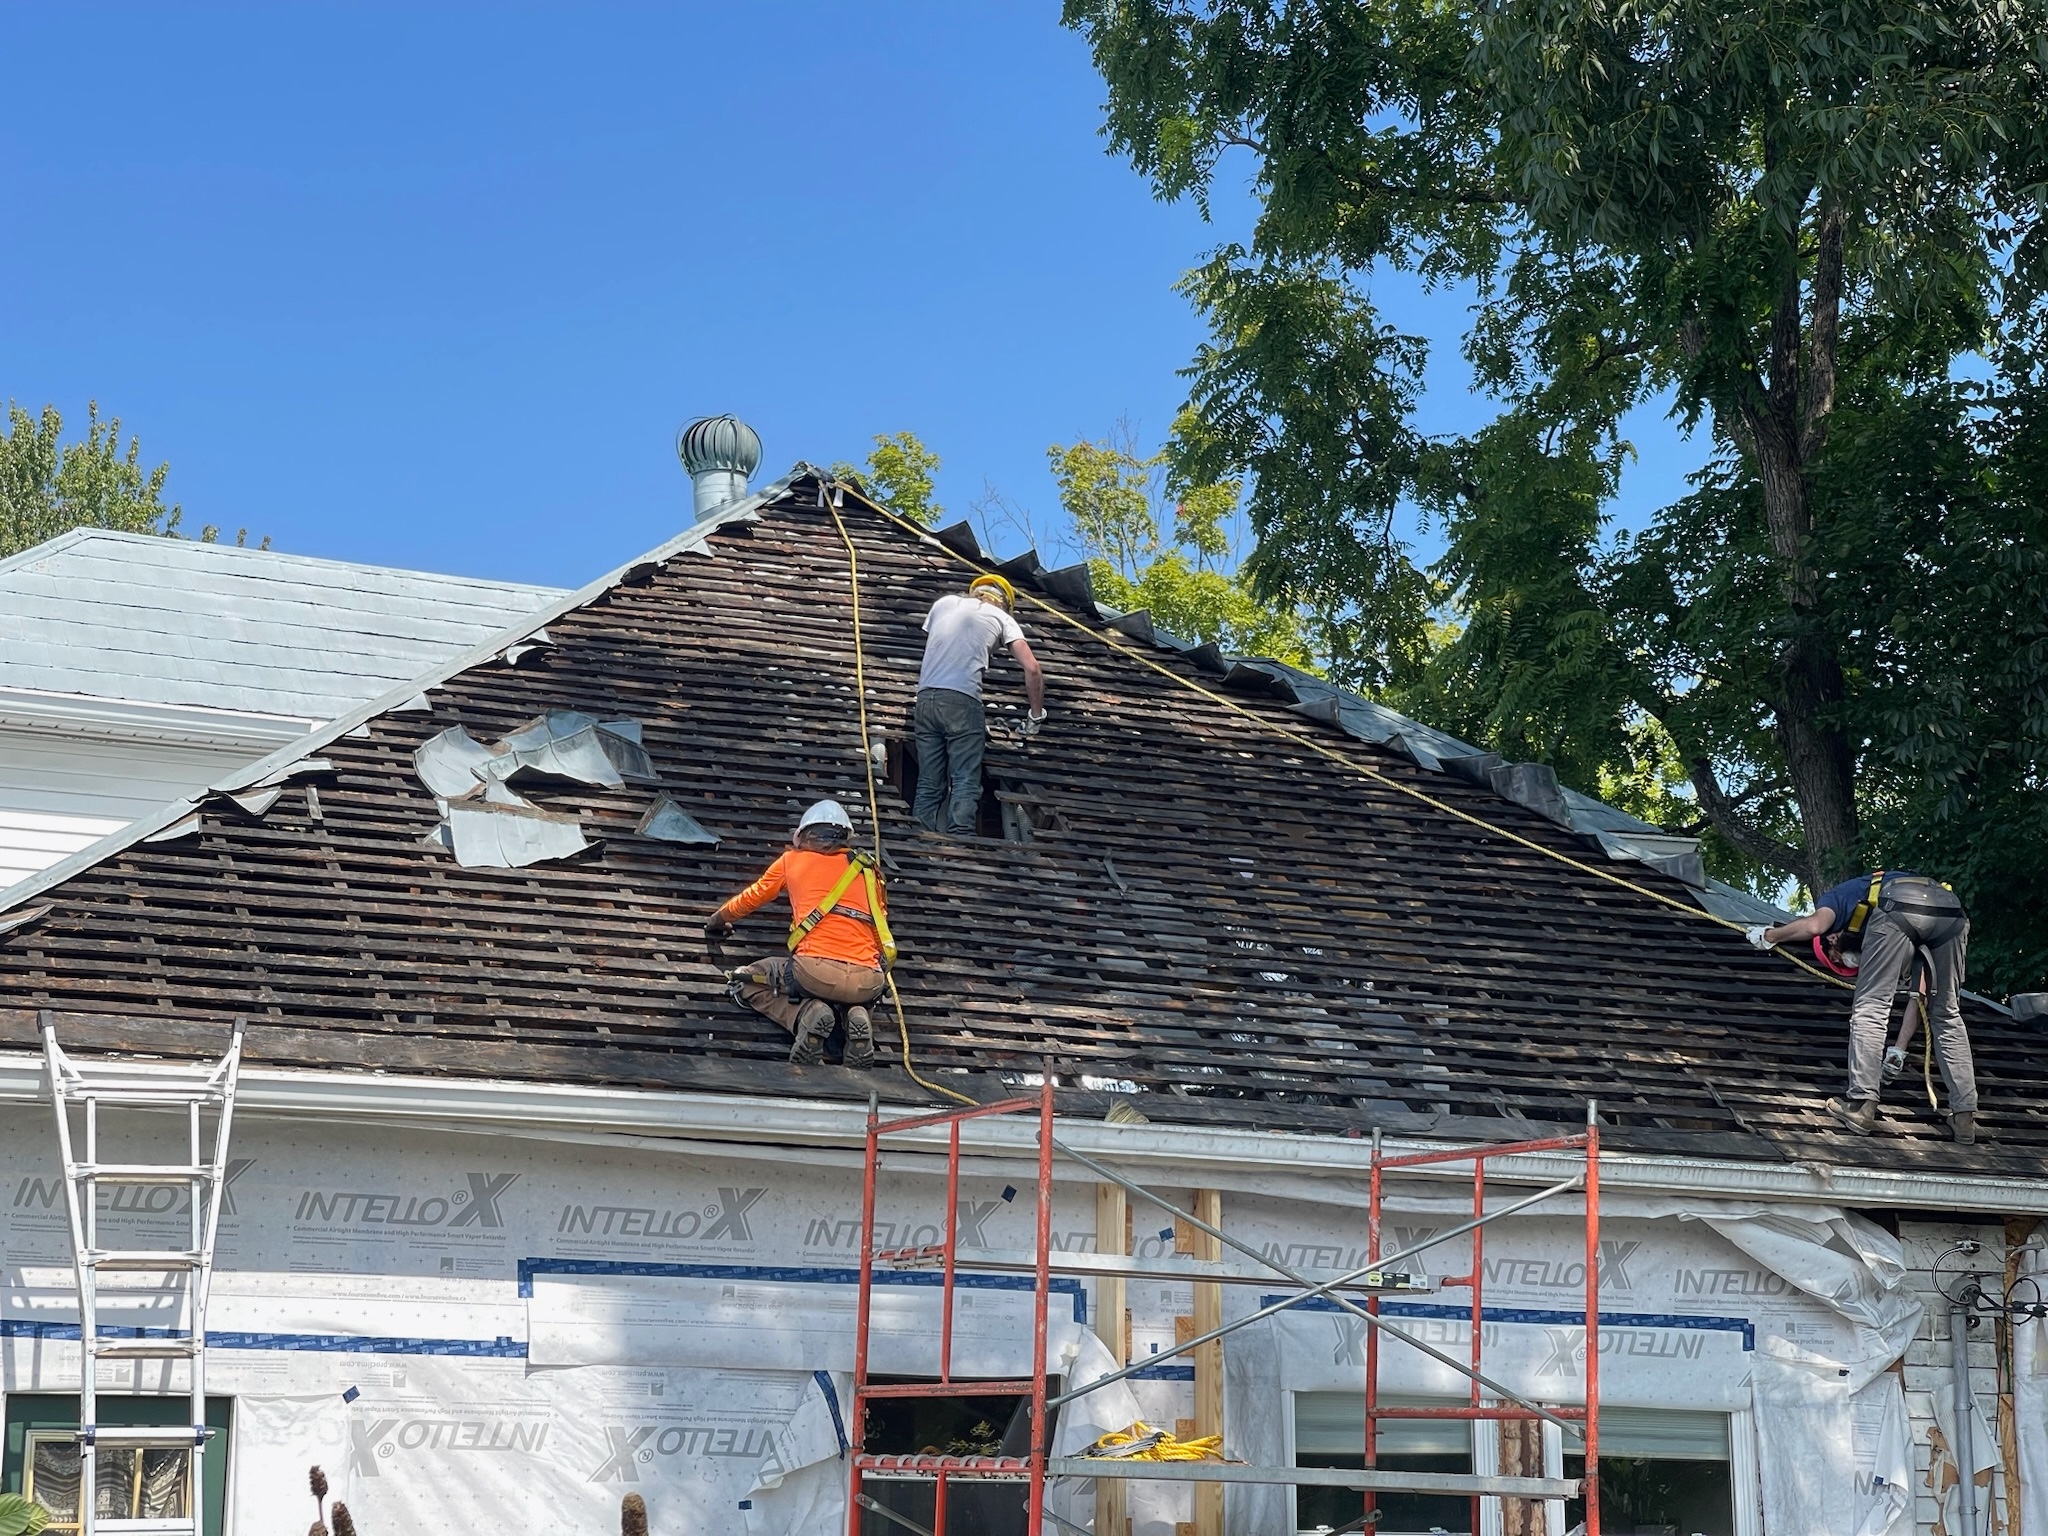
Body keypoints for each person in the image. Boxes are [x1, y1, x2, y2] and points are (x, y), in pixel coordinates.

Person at [1749, 871, 1977, 1143]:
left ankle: (1861, 1105)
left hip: (1899, 904)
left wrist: (1770, 935)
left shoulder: (1838, 899)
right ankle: (1964, 1119)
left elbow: (1814, 927)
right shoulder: (1897, 922)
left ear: (1833, 939)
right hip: (1950, 911)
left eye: (1840, 961)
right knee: (1947, 1014)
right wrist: (1899, 1049)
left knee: (1871, 1005)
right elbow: (1922, 995)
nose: (1850, 964)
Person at [705, 799, 892, 1068]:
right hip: (867, 980)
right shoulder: (868, 869)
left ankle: (807, 1014)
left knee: (748, 979)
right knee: (847, 991)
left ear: (803, 835)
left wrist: (717, 920)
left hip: (814, 972)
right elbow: (880, 923)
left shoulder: (792, 860)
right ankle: (856, 1014)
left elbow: (752, 897)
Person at [913, 573, 1046, 837]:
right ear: (1005, 602)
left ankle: (919, 837)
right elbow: (1032, 669)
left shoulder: (943, 604)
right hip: (961, 700)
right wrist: (1035, 715)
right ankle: (961, 836)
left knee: (929, 781)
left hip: (925, 698)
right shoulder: (1003, 619)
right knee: (965, 776)